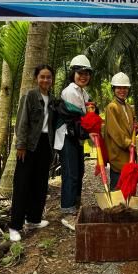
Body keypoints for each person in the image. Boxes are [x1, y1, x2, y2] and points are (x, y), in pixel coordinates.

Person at [9, 64, 56, 242]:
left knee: (40, 184)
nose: (45, 80)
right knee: (22, 185)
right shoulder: (29, 96)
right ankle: (15, 226)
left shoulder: (52, 99)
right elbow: (21, 122)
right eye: (42, 76)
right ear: (36, 78)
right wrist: (20, 145)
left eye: (48, 77)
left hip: (45, 145)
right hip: (29, 145)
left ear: (52, 79)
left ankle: (34, 219)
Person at [54, 54, 96, 231]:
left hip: (76, 137)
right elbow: (76, 120)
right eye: (80, 72)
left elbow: (88, 114)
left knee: (79, 170)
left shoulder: (83, 92)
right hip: (67, 136)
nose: (83, 76)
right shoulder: (70, 91)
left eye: (86, 73)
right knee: (71, 172)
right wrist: (91, 131)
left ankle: (75, 205)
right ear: (73, 74)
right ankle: (68, 211)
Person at [104, 72, 138, 190]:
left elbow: (130, 126)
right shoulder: (112, 107)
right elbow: (115, 131)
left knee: (129, 184)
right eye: (119, 88)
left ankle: (127, 206)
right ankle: (116, 207)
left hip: (129, 151)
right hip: (118, 151)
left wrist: (136, 129)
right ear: (113, 89)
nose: (122, 90)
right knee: (118, 184)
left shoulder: (128, 107)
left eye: (125, 88)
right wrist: (128, 143)